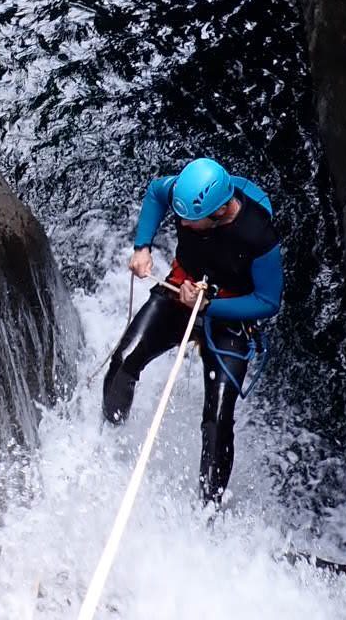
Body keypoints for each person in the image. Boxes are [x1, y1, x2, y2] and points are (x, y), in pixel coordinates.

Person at [102, 157, 282, 503]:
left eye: (189, 220)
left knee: (216, 420)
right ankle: (107, 434)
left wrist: (211, 306)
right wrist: (143, 246)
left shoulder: (258, 235)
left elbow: (267, 300)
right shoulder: (189, 195)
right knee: (124, 360)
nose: (181, 222)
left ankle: (208, 509)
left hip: (230, 312)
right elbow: (157, 192)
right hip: (181, 290)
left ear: (218, 213)